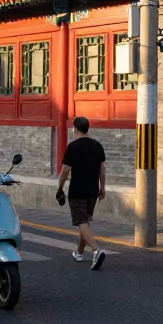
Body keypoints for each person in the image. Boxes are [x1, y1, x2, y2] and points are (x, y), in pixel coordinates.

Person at [56, 116, 108, 271]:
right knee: (84, 221)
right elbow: (102, 168)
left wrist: (60, 187)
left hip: (77, 190)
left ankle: (95, 250)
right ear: (88, 129)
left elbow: (65, 170)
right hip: (92, 190)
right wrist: (102, 187)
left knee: (81, 221)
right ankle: (79, 252)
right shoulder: (97, 145)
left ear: (75, 129)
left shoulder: (73, 147)